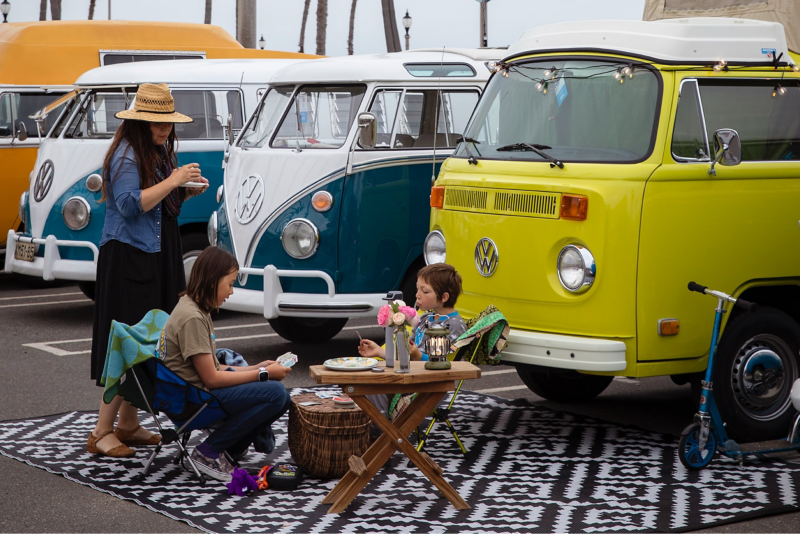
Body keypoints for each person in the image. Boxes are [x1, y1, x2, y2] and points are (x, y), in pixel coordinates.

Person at [88, 83, 209, 458]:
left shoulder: (154, 153)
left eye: (168, 124)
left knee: (151, 340)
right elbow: (128, 204)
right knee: (126, 341)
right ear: (140, 122)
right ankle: (101, 431)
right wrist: (174, 180)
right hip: (130, 258)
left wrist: (185, 191)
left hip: (155, 255)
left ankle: (127, 424)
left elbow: (158, 205)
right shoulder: (126, 155)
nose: (164, 130)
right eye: (157, 123)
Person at [162, 246, 292, 482]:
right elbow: (211, 378)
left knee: (281, 396)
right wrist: (263, 374)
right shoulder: (192, 317)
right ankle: (208, 452)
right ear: (213, 280)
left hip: (197, 394)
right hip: (193, 402)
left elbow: (215, 367)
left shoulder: (197, 307)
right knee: (275, 393)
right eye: (230, 283)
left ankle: (227, 450)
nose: (232, 291)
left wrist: (257, 367)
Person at [358, 263, 467, 419]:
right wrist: (379, 352)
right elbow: (405, 355)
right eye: (417, 289)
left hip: (428, 384)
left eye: (425, 291)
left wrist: (416, 354)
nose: (417, 295)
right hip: (411, 375)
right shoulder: (424, 318)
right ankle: (379, 426)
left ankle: (381, 428)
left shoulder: (453, 325)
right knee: (369, 378)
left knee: (374, 385)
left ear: (444, 297)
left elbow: (442, 365)